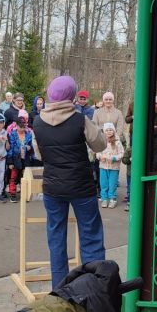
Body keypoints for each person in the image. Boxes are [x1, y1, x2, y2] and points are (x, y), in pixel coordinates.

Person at [32, 75, 106, 288]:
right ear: (71, 96)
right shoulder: (80, 119)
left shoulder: (37, 122)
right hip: (82, 187)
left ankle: (60, 288)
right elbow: (99, 145)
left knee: (56, 237)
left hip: (53, 187)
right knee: (90, 235)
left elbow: (39, 153)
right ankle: (94, 287)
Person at [6, 110, 36, 203]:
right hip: (15, 159)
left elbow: (32, 147)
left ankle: (25, 194)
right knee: (13, 177)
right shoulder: (13, 134)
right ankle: (13, 194)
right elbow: (10, 149)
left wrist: (29, 148)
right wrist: (10, 162)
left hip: (26, 159)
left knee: (25, 177)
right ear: (16, 125)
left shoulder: (29, 134)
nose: (23, 128)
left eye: (24, 126)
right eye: (21, 126)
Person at [96, 123, 124, 209]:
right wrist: (100, 157)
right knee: (103, 183)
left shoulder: (117, 142)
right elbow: (97, 152)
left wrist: (114, 158)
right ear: (104, 131)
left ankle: (112, 199)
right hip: (103, 166)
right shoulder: (101, 141)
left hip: (114, 167)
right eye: (107, 130)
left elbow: (121, 153)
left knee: (112, 183)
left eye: (110, 130)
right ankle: (104, 198)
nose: (109, 132)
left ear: (114, 131)